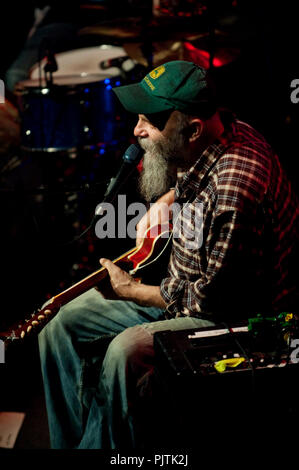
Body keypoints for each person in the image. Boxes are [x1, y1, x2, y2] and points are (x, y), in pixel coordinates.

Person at [38, 60, 299, 449]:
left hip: (236, 317)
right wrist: (169, 197)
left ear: (191, 130)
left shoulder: (236, 192)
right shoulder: (221, 131)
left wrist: (130, 290)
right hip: (185, 289)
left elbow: (213, 301)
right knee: (61, 325)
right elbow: (202, 180)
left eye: (150, 122)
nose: (137, 131)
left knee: (123, 354)